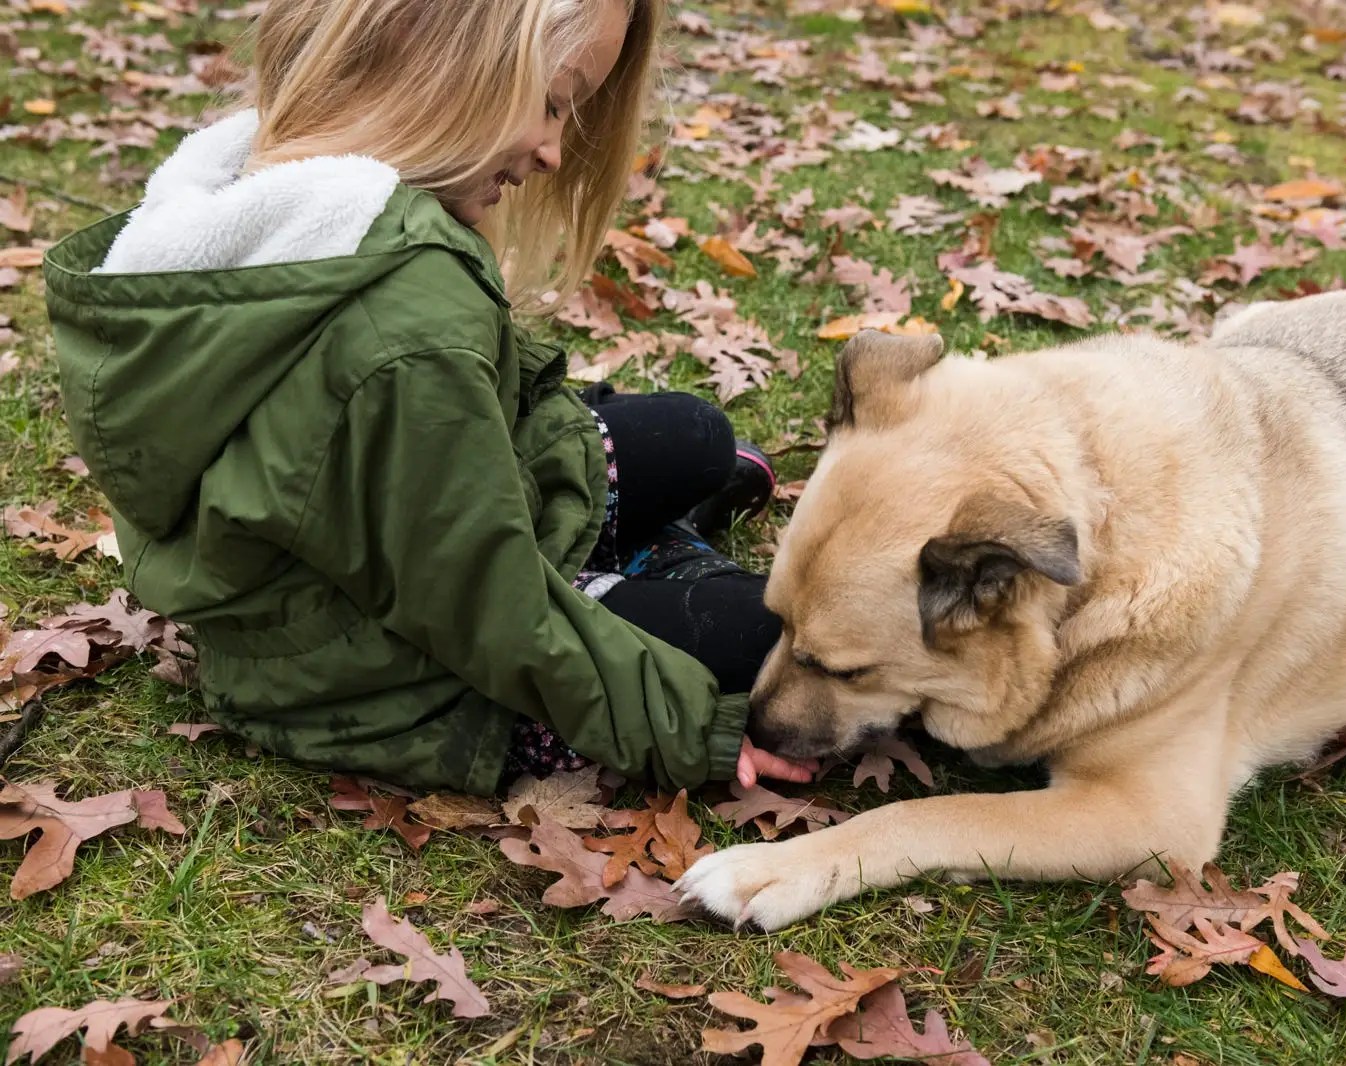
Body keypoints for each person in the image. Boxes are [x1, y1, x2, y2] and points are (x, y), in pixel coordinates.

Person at [43, 0, 817, 795]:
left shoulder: (272, 198)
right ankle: (626, 573)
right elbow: (483, 604)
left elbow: (448, 469)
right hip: (377, 671)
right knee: (769, 636)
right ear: (441, 56)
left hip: (359, 575)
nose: (554, 152)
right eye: (554, 103)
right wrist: (689, 729)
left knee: (695, 435)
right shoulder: (405, 315)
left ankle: (636, 552)